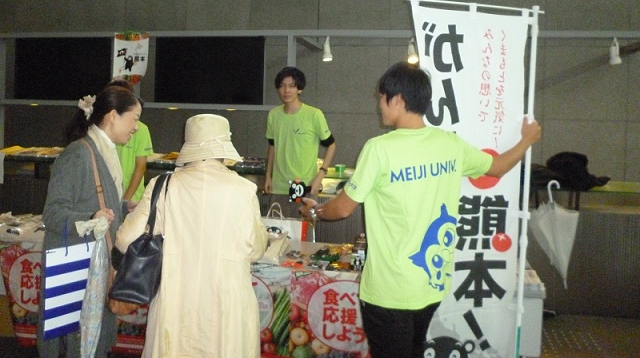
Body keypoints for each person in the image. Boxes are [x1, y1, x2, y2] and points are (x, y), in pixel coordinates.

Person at [300, 62, 542, 358]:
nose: (380, 105)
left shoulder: (379, 149)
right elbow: (498, 167)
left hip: (389, 290)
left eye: (381, 97)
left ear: (398, 100)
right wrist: (527, 139)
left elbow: (343, 208)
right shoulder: (448, 144)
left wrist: (316, 212)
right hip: (431, 285)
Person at [115, 114, 268, 358]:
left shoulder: (163, 185)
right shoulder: (244, 190)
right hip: (227, 303)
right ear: (224, 147)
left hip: (176, 301)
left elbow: (124, 240)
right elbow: (256, 250)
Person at [37, 85, 142, 358]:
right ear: (112, 116)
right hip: (77, 269)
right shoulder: (79, 154)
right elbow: (53, 214)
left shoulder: (103, 151)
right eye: (135, 119)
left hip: (93, 265)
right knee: (76, 339)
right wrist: (90, 219)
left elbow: (95, 199)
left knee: (90, 339)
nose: (137, 127)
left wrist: (122, 206)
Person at [265, 66, 336, 216]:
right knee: (278, 230)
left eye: (292, 86)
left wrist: (320, 175)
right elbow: (272, 146)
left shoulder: (313, 115)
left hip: (302, 184)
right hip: (279, 185)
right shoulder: (274, 115)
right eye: (282, 86)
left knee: (301, 233)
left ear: (299, 89)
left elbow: (331, 145)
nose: (286, 90)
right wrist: (268, 176)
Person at [107, 79, 154, 212]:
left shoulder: (141, 129)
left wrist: (125, 199)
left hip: (133, 199)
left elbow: (141, 166)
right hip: (108, 198)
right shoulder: (101, 130)